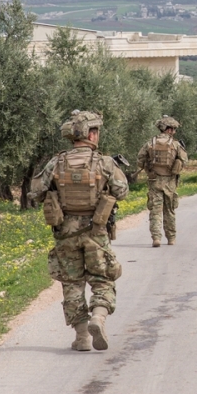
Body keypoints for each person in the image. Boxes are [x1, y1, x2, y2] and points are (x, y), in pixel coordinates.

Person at [30, 110, 129, 352]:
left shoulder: (56, 162)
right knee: (103, 278)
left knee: (72, 284)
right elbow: (122, 191)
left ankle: (82, 337)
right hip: (96, 231)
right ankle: (98, 316)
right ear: (92, 134)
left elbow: (36, 192)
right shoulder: (105, 162)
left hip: (65, 233)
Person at [137, 115, 188, 247]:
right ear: (168, 130)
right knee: (169, 210)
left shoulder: (150, 143)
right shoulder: (175, 145)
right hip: (170, 182)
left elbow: (140, 160)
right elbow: (184, 161)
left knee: (155, 210)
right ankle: (171, 238)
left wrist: (149, 169)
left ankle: (156, 238)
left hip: (154, 181)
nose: (174, 132)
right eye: (173, 129)